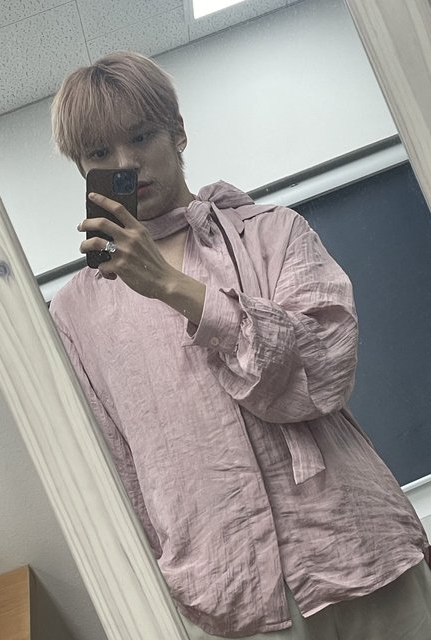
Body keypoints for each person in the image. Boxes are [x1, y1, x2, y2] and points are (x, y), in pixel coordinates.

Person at [50, 51, 431, 639]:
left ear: (177, 132)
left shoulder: (274, 233)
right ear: (82, 168)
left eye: (141, 136)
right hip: (227, 591)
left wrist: (175, 288)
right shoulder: (76, 312)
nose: (126, 163)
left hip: (357, 549)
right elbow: (119, 466)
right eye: (100, 152)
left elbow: (324, 369)